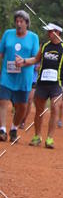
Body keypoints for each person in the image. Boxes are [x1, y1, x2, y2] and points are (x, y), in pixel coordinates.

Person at [17, 23, 63, 149]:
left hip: (56, 85)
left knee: (54, 107)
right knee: (39, 111)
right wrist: (23, 61)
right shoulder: (44, 46)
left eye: (50, 31)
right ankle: (37, 136)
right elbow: (35, 60)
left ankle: (50, 139)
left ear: (57, 32)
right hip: (42, 83)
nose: (48, 34)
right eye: (48, 31)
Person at [0, 10, 39, 143]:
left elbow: (36, 58)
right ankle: (2, 130)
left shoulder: (33, 37)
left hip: (24, 76)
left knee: (22, 106)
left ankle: (14, 128)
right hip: (7, 74)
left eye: (21, 21)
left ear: (27, 24)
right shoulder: (8, 34)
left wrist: (24, 62)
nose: (18, 24)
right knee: (3, 101)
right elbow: (1, 53)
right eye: (17, 21)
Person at [20, 63, 39, 130]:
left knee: (29, 100)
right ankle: (18, 116)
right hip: (22, 78)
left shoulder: (38, 53)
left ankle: (23, 120)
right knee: (21, 100)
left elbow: (38, 68)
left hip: (33, 80)